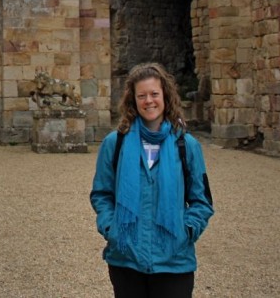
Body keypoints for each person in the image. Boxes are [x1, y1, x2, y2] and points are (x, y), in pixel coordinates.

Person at [89, 62, 214, 298]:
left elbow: (201, 201)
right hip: (126, 259)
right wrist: (111, 228)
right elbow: (102, 194)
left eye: (154, 94)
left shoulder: (186, 146)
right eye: (142, 95)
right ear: (133, 100)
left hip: (174, 260)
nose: (149, 101)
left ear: (165, 96)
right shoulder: (114, 144)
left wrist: (185, 231)